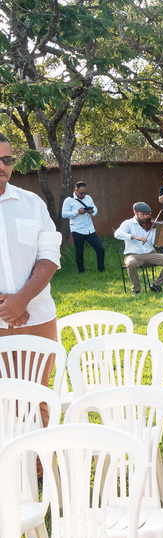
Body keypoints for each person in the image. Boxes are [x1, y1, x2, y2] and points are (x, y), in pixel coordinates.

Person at [0, 133, 61, 426]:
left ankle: (40, 470)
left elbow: (49, 256)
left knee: (37, 397)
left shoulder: (32, 204)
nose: (3, 166)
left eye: (7, 160)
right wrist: (6, 306)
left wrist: (21, 300)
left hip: (35, 318)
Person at [115, 202, 163, 295]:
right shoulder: (128, 223)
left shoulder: (152, 225)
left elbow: (155, 243)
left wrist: (160, 233)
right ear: (135, 213)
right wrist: (134, 236)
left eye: (148, 214)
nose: (146, 217)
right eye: (143, 214)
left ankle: (156, 284)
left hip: (151, 253)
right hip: (133, 255)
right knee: (131, 263)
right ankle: (136, 289)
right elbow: (117, 234)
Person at [61, 181, 105, 274]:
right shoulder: (69, 200)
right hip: (77, 230)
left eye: (85, 192)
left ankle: (101, 269)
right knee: (79, 252)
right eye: (81, 193)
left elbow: (95, 209)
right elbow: (64, 214)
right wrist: (77, 212)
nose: (84, 195)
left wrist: (92, 211)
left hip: (90, 229)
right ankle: (81, 271)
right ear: (76, 190)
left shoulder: (88, 198)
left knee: (100, 249)